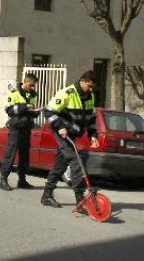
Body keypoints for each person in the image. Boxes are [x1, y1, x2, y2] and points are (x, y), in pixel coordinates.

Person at [40, 70, 99, 210]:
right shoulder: (67, 93)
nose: (90, 89)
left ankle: (47, 195)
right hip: (61, 132)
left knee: (60, 164)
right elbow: (47, 111)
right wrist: (59, 126)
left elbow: (91, 119)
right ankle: (80, 199)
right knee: (76, 160)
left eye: (93, 87)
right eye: (89, 86)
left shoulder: (90, 97)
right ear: (82, 81)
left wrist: (93, 135)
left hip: (72, 134)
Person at [0, 73, 39, 191]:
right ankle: (3, 179)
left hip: (27, 127)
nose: (33, 88)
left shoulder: (33, 94)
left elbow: (32, 109)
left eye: (34, 86)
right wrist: (25, 107)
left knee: (24, 155)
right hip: (16, 127)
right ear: (25, 82)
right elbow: (9, 110)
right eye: (31, 85)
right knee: (10, 153)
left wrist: (36, 111)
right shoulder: (14, 93)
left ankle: (22, 180)